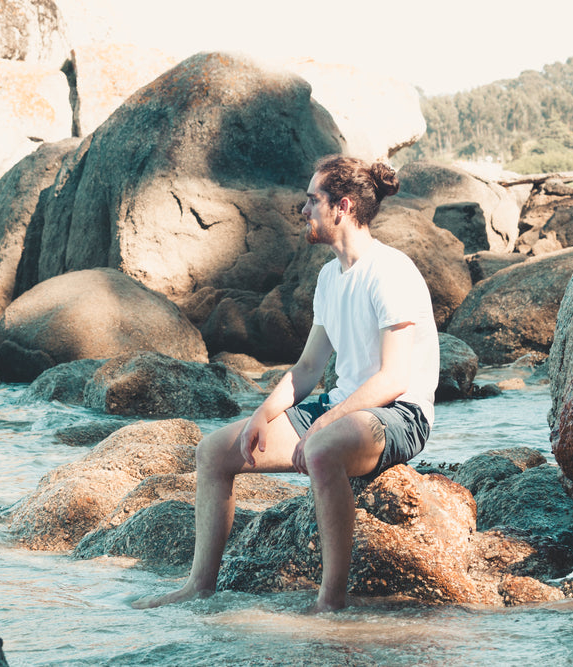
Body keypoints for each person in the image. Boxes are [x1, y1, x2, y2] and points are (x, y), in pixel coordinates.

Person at [132, 155, 439, 612]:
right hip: (346, 407)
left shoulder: (390, 271)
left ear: (343, 207)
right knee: (215, 452)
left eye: (312, 200)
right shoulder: (329, 277)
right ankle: (199, 586)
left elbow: (394, 379)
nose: (303, 209)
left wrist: (326, 423)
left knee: (319, 449)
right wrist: (262, 416)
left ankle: (330, 601)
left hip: (399, 413)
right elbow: (307, 369)